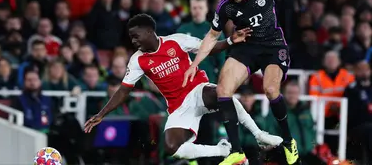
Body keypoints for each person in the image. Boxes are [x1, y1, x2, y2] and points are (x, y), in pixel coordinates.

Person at [182, 0, 356, 165]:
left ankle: (289, 142)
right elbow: (211, 37)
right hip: (246, 47)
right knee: (223, 90)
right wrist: (195, 64)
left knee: (271, 90)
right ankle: (236, 152)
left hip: (273, 47)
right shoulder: (225, 6)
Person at [84, 14, 283, 163]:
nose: (134, 41)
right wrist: (102, 114)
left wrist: (230, 40)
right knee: (172, 148)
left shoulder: (176, 41)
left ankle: (259, 135)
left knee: (222, 92)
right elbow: (123, 90)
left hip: (198, 90)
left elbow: (208, 48)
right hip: (179, 107)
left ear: (149, 32)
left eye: (136, 36)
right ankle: (222, 151)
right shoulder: (138, 60)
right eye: (131, 38)